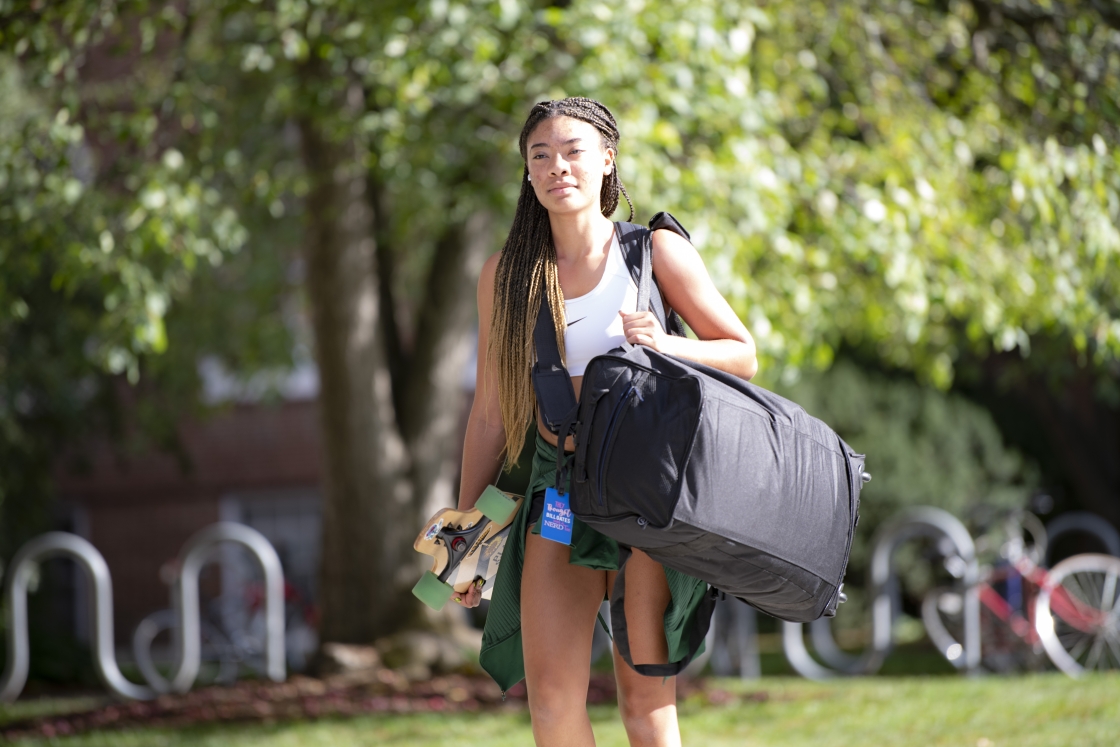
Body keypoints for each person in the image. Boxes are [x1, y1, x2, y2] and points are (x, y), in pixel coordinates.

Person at [456, 97, 757, 747]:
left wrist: (667, 346)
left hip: (642, 495)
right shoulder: (507, 277)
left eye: (572, 151)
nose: (556, 166)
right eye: (540, 155)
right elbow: (489, 414)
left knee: (646, 706)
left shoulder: (654, 253)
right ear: (528, 173)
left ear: (607, 160)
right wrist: (468, 541)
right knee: (551, 704)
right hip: (556, 491)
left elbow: (742, 353)